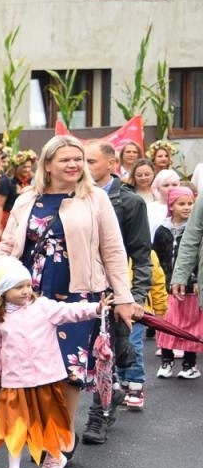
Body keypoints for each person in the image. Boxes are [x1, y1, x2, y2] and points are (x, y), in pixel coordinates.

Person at [0, 135, 137, 461]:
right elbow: (7, 247)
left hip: (79, 292)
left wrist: (124, 297)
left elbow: (113, 250)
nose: (74, 165)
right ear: (48, 164)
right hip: (31, 293)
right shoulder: (26, 198)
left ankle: (61, 432)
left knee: (70, 366)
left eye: (79, 159)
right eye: (66, 159)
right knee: (36, 362)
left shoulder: (95, 198)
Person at [0, 258, 104, 468]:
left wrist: (95, 308)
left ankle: (55, 457)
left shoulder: (43, 307)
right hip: (15, 382)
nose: (26, 291)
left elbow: (70, 312)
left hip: (46, 378)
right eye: (19, 287)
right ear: (4, 291)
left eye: (28, 285)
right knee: (14, 426)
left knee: (48, 423)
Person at [83, 142, 151, 422]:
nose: (84, 167)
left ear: (112, 164)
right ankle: (112, 395)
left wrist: (135, 296)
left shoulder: (131, 201)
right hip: (81, 288)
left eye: (91, 161)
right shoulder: (75, 196)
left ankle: (99, 416)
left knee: (107, 352)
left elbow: (141, 254)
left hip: (114, 290)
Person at [158, 186, 203, 379]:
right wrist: (179, 276)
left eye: (188, 203)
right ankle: (171, 361)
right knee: (171, 322)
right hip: (176, 285)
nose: (186, 207)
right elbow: (192, 238)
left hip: (191, 286)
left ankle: (188, 363)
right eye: (181, 203)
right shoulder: (163, 229)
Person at [131, 159, 166, 243]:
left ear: (154, 173)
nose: (143, 178)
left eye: (147, 174)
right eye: (139, 175)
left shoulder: (160, 192)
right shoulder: (128, 193)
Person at [0, 149, 36, 226]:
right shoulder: (6, 181)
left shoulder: (31, 180)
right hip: (9, 217)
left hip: (25, 217)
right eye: (24, 167)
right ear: (16, 167)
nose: (27, 170)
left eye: (29, 167)